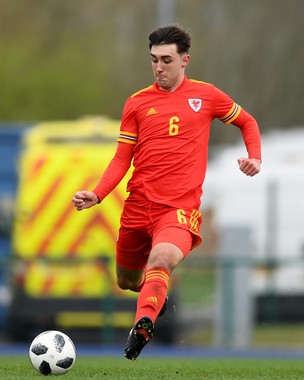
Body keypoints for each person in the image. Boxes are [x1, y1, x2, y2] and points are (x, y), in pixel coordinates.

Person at [72, 23, 262, 360]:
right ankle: (152, 293)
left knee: (162, 259)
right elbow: (121, 159)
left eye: (166, 60)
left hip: (178, 210)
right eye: (154, 60)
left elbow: (247, 122)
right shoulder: (136, 103)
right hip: (137, 207)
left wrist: (255, 158)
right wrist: (98, 194)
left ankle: (143, 324)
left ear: (185, 60)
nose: (159, 67)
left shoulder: (207, 96)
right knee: (128, 281)